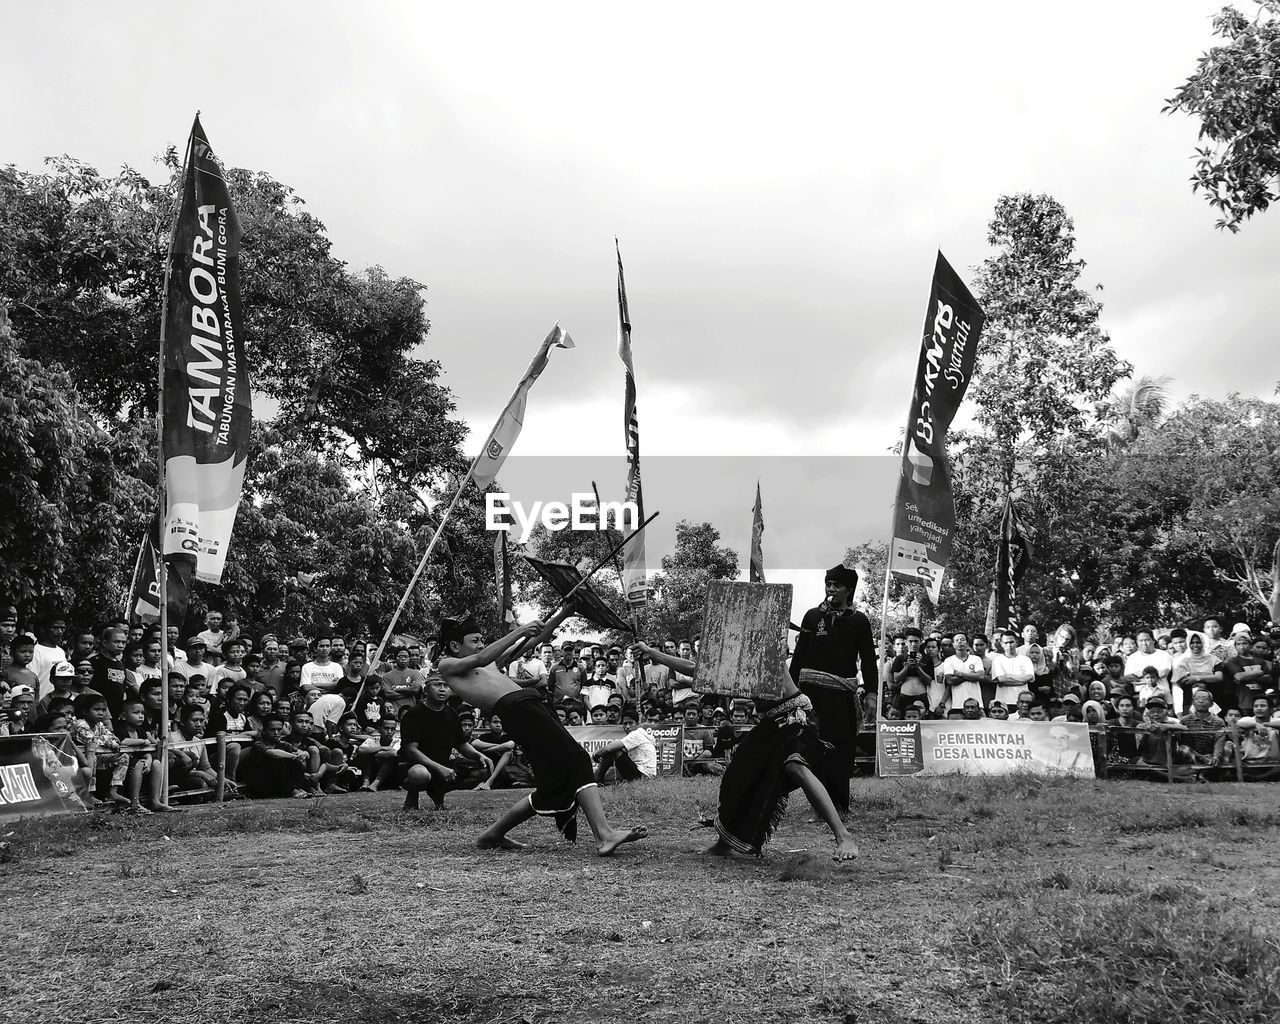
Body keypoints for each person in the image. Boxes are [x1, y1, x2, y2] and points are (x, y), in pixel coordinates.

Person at [435, 608, 647, 854]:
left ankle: (492, 835)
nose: (481, 644)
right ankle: (604, 835)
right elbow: (480, 658)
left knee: (555, 782)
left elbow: (533, 640)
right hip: (517, 710)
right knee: (577, 759)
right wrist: (519, 630)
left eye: (482, 640)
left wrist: (564, 614)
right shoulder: (447, 665)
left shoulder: (490, 660)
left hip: (530, 706)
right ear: (453, 645)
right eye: (475, 641)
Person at [636, 639, 859, 861]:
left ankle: (843, 835)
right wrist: (653, 654)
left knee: (794, 766)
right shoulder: (731, 655)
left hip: (796, 717)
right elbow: (698, 670)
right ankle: (724, 843)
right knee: (737, 776)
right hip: (770, 722)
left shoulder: (764, 645)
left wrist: (654, 654)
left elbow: (701, 670)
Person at [789, 564, 877, 816]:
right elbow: (799, 657)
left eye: (837, 585)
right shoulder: (811, 616)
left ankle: (839, 805)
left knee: (841, 748)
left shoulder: (859, 621)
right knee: (813, 746)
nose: (831, 589)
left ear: (849, 590)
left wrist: (871, 693)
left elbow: (869, 660)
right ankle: (819, 807)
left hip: (841, 695)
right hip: (810, 694)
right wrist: (792, 693)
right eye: (828, 583)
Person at [397, 673, 493, 810]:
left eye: (446, 685)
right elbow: (410, 750)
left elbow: (461, 743)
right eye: (437, 685)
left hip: (444, 763)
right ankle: (412, 797)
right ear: (426, 690)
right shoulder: (413, 714)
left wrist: (479, 755)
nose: (442, 689)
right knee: (420, 775)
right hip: (414, 765)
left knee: (482, 768)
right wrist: (439, 768)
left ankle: (437, 794)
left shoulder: (452, 713)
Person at [592, 707, 657, 784]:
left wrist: (596, 754)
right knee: (614, 749)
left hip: (643, 776)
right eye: (625, 724)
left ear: (637, 724)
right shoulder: (640, 733)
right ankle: (598, 780)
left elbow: (608, 749)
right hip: (644, 775)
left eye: (631, 723)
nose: (627, 726)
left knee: (613, 749)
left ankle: (598, 780)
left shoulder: (636, 734)